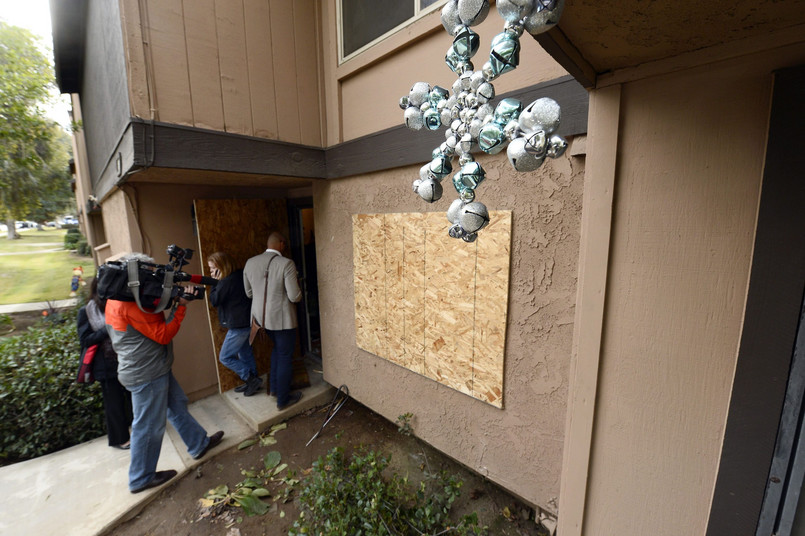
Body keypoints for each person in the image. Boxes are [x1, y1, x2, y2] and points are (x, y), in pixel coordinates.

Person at [105, 252, 224, 494]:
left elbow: (149, 313)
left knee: (177, 404)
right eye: (148, 273)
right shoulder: (130, 304)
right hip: (146, 374)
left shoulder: (120, 296)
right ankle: (141, 477)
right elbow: (162, 334)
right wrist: (181, 307)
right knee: (148, 426)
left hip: (153, 368)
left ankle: (198, 444)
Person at [243, 232, 303, 410]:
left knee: (277, 350)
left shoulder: (250, 262)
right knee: (285, 356)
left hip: (260, 319)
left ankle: (276, 389)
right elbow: (294, 296)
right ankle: (283, 400)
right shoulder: (286, 264)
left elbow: (249, 293)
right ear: (282, 244)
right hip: (282, 320)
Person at [77, 277, 132, 450]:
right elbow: (85, 340)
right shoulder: (86, 311)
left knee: (133, 398)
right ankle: (120, 439)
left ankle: (139, 430)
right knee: (114, 404)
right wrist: (107, 328)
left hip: (125, 359)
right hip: (105, 364)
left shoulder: (116, 305)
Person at [207, 251, 261, 396]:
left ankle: (250, 378)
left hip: (239, 326)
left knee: (225, 357)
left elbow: (214, 300)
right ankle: (253, 381)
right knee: (244, 352)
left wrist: (214, 283)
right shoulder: (240, 275)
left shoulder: (225, 282)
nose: (211, 272)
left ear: (221, 267)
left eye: (212, 269)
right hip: (248, 321)